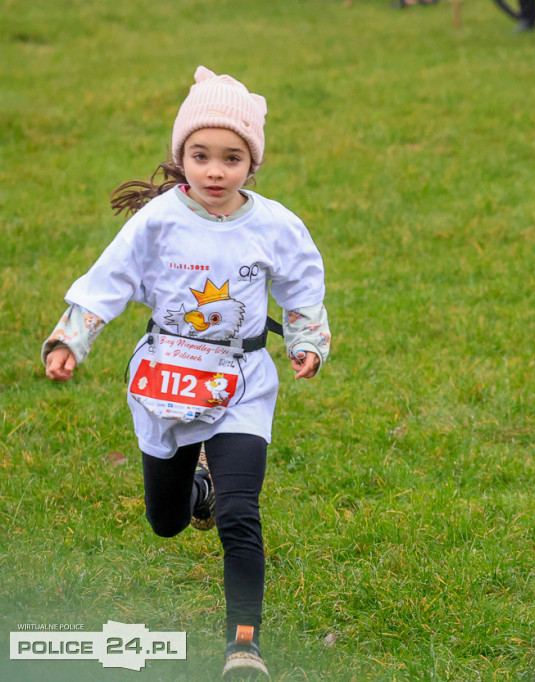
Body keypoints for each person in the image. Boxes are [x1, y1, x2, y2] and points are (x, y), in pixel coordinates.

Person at [42, 66, 332, 679]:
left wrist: (305, 337)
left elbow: (303, 284)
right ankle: (191, 489)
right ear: (182, 158)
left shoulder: (276, 224)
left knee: (240, 514)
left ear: (252, 164)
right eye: (200, 156)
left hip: (243, 383)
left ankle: (242, 646)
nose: (215, 171)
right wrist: (72, 338)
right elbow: (108, 282)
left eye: (232, 158)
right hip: (166, 381)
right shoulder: (157, 222)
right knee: (167, 522)